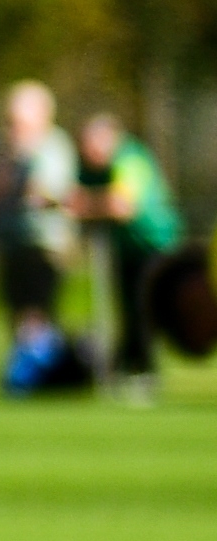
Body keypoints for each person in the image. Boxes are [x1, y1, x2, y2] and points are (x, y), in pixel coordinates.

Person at [77, 112, 181, 400]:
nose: (87, 152)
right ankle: (126, 368)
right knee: (126, 309)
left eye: (91, 144)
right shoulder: (96, 167)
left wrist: (87, 203)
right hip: (124, 248)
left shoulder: (129, 157)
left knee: (142, 307)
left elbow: (122, 205)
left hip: (153, 244)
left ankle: (144, 373)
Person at [0, 81, 86, 392]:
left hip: (45, 243)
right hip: (11, 241)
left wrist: (28, 176)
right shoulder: (4, 147)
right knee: (15, 311)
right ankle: (32, 374)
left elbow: (53, 193)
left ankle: (38, 376)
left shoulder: (52, 146)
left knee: (38, 313)